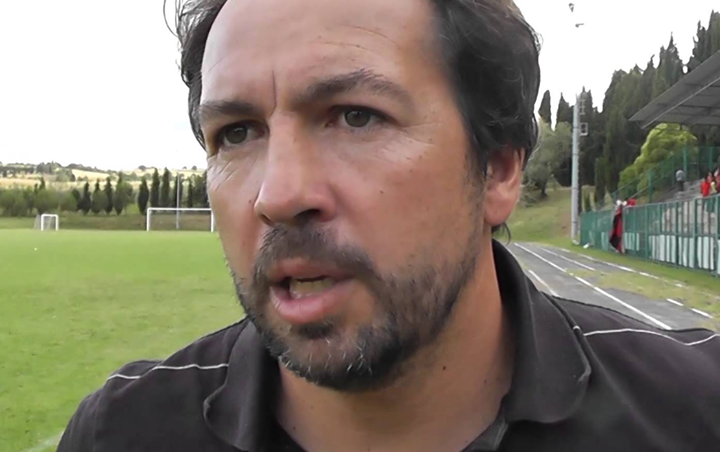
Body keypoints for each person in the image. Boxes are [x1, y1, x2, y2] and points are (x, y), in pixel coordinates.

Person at [58, 1, 720, 451]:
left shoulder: (693, 411)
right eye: (236, 133)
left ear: (497, 169)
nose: (277, 195)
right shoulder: (122, 433)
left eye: (356, 116)